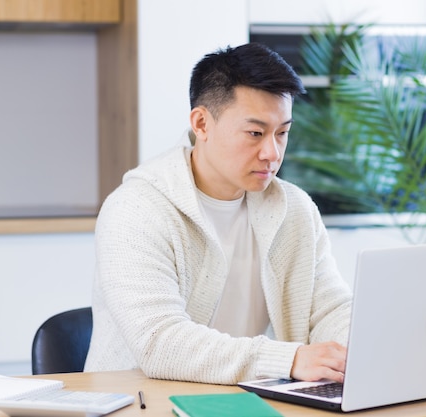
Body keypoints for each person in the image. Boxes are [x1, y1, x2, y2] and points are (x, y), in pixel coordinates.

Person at [84, 42, 351, 385]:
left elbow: (330, 309)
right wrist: (288, 359)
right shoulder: (136, 209)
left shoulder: (294, 209)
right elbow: (159, 342)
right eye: (255, 133)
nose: (272, 152)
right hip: (140, 402)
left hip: (238, 398)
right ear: (202, 124)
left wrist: (355, 350)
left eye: (282, 132)